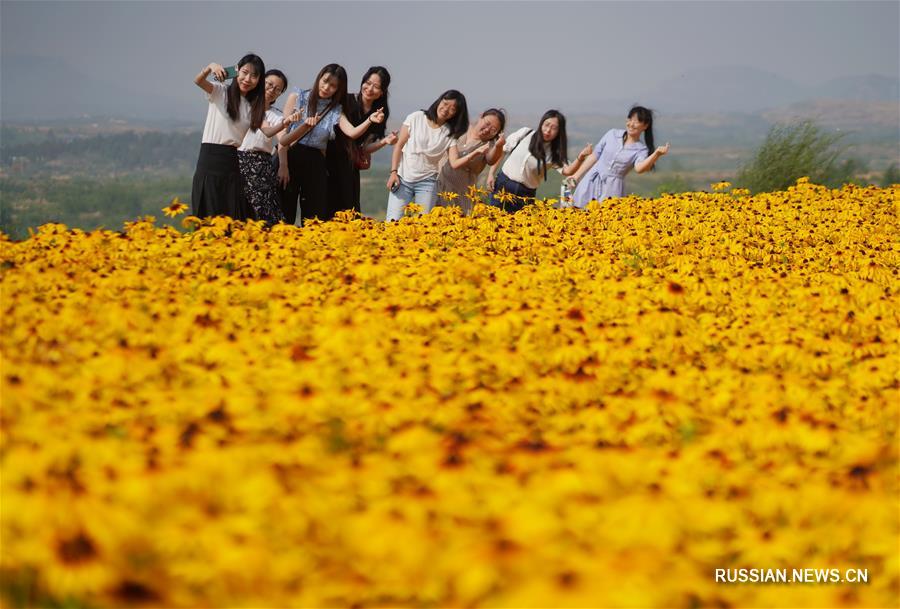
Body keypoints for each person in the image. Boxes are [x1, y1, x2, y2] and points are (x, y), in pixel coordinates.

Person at [278, 64, 385, 225]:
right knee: (284, 214)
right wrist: (283, 164)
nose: (326, 87)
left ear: (338, 89)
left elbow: (352, 132)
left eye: (333, 85)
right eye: (325, 81)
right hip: (290, 158)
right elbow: (283, 137)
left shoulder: (335, 109)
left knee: (313, 217)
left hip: (316, 163)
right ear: (319, 78)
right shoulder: (297, 97)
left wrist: (370, 120)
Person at [191, 54, 268, 220]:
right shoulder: (221, 91)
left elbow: (269, 131)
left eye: (254, 76)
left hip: (232, 161)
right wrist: (211, 66)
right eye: (245, 72)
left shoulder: (253, 106)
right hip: (209, 158)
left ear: (259, 80)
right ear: (237, 71)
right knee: (207, 215)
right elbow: (198, 81)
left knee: (232, 216)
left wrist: (288, 123)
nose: (248, 79)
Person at [385, 90, 469, 221]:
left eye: (452, 109)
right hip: (402, 178)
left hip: (427, 182)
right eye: (445, 103)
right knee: (392, 221)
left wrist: (476, 153)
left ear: (456, 114)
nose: (446, 109)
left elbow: (454, 163)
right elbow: (399, 145)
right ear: (440, 100)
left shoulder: (450, 134)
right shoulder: (416, 117)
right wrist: (393, 172)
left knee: (423, 224)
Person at [486, 110, 592, 213]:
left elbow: (568, 171)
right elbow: (502, 151)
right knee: (493, 221)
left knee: (517, 228)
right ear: (541, 123)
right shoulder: (525, 133)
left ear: (559, 132)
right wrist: (491, 173)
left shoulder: (554, 153)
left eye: (553, 128)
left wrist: (581, 156)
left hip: (524, 195)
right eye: (546, 124)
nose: (548, 130)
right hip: (502, 185)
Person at [326, 67, 398, 217]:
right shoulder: (346, 101)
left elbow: (365, 148)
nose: (369, 88)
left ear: (382, 92)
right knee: (328, 209)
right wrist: (369, 120)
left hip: (350, 166)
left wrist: (385, 141)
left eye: (376, 86)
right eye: (368, 82)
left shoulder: (380, 113)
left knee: (349, 211)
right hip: (330, 160)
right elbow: (351, 133)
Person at [569, 106, 670, 207]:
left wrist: (656, 155)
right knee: (579, 214)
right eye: (630, 119)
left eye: (637, 121)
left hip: (612, 189)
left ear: (645, 126)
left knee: (607, 218)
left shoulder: (641, 149)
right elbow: (595, 156)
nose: (631, 124)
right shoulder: (612, 134)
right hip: (591, 181)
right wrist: (576, 176)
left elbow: (639, 168)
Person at [237, 69, 298, 224]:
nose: (272, 91)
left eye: (277, 89)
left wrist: (283, 165)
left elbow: (282, 141)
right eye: (269, 85)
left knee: (262, 214)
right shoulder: (241, 105)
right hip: (235, 160)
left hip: (260, 166)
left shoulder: (276, 116)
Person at [435, 109, 507, 215]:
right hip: (437, 185)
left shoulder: (488, 146)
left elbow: (491, 160)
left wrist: (499, 145)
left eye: (493, 130)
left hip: (461, 197)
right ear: (481, 115)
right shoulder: (461, 128)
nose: (487, 130)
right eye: (487, 123)